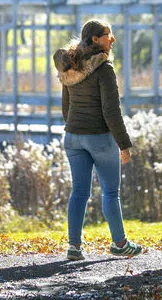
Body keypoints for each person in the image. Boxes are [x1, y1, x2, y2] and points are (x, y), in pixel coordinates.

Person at [53, 19, 143, 261]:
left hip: (73, 137)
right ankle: (120, 243)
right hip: (99, 138)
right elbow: (111, 111)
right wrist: (124, 144)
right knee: (110, 192)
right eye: (107, 34)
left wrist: (74, 127)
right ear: (95, 39)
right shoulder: (104, 68)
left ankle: (74, 247)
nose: (112, 38)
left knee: (79, 192)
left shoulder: (69, 66)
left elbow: (66, 107)